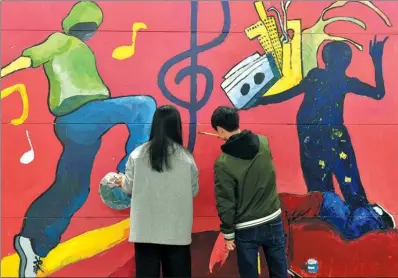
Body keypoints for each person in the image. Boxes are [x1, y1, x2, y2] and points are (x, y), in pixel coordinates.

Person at [2, 2, 156, 277]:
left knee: (73, 189)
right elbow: (30, 58)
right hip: (80, 116)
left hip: (81, 125)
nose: (90, 33)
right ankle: (128, 177)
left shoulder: (80, 48)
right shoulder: (60, 40)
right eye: (89, 27)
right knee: (143, 106)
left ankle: (34, 243)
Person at [252, 37, 394, 237]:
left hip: (316, 141)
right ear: (347, 62)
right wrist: (376, 60)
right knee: (342, 194)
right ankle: (363, 226)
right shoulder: (340, 80)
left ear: (325, 59)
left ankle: (357, 228)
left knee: (322, 197)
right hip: (330, 140)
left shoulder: (318, 76)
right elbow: (378, 93)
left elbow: (289, 93)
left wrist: (261, 101)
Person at [117, 105, 199, 278]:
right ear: (177, 127)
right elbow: (193, 190)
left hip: (145, 230)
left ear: (154, 125)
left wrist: (120, 181)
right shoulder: (186, 158)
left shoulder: (137, 155)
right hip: (177, 231)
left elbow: (128, 187)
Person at [211, 106, 288, 278]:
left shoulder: (223, 163)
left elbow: (226, 201)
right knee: (280, 271)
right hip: (273, 218)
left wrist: (228, 234)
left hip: (246, 228)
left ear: (220, 129)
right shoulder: (263, 142)